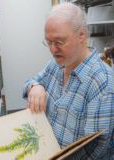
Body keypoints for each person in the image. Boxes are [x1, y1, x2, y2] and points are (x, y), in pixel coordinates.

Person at [22, 2, 114, 159]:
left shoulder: (101, 82)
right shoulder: (56, 64)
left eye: (59, 42)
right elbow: (28, 85)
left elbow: (93, 151)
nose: (52, 50)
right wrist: (35, 87)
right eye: (48, 42)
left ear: (81, 35)